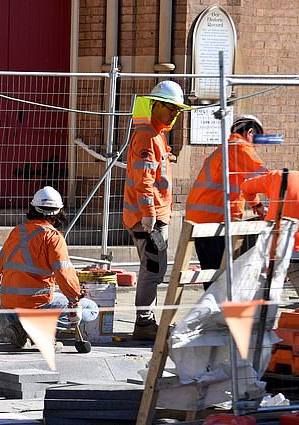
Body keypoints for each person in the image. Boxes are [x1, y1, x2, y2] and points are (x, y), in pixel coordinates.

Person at [0, 186, 98, 348]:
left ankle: (23, 331)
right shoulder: (53, 237)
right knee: (91, 309)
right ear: (59, 212)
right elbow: (64, 273)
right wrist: (75, 302)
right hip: (34, 307)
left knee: (50, 299)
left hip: (9, 311)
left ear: (32, 208)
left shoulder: (18, 231)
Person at [123, 80, 193, 341]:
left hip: (153, 216)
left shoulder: (156, 136)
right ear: (155, 105)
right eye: (171, 108)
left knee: (155, 269)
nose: (175, 114)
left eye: (177, 110)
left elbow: (152, 168)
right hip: (147, 218)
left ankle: (146, 321)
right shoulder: (147, 136)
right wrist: (149, 214)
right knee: (152, 270)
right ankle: (143, 323)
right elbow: (144, 179)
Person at [185, 115, 269, 279]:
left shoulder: (224, 150)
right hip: (216, 221)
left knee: (211, 276)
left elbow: (246, 184)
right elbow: (267, 179)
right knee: (222, 279)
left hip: (200, 220)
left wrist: (257, 206)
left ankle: (212, 304)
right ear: (250, 132)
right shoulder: (241, 148)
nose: (257, 146)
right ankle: (220, 305)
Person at [241, 169, 299, 298]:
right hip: (293, 251)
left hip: (278, 248)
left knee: (264, 298)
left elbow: (246, 187)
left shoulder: (280, 177)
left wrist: (257, 205)